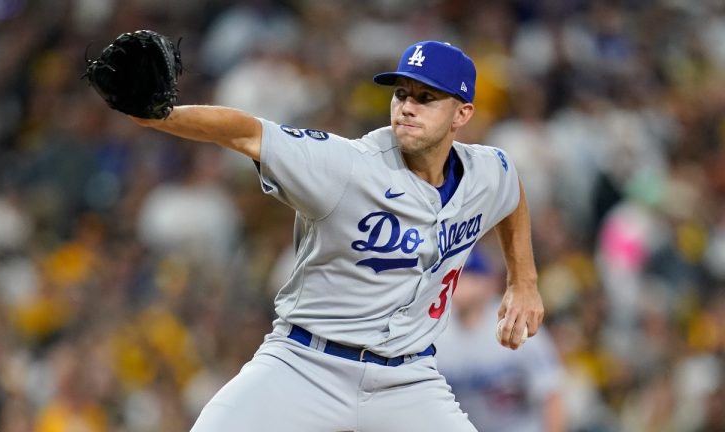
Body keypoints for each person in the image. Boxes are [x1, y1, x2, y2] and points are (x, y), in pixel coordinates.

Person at [130, 40, 544, 432]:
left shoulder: (486, 171)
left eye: (426, 98)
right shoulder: (346, 166)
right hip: (306, 364)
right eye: (401, 94)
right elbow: (246, 132)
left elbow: (512, 192)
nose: (407, 108)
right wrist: (162, 115)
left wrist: (523, 281)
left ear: (462, 114)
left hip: (408, 379)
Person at [435, 249, 566, 432]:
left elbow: (551, 392)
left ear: (489, 283)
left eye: (471, 276)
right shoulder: (435, 331)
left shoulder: (515, 319)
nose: (461, 284)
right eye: (459, 276)